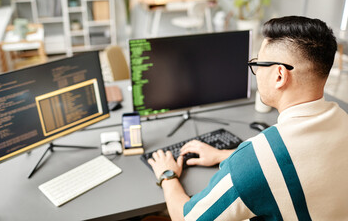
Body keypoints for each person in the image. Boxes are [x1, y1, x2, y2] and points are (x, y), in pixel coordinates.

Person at [148, 16, 348, 220]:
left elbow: (187, 218)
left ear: (279, 75)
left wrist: (167, 175)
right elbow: (303, 160)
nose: (256, 72)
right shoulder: (343, 121)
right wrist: (223, 155)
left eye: (258, 64)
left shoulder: (254, 161)